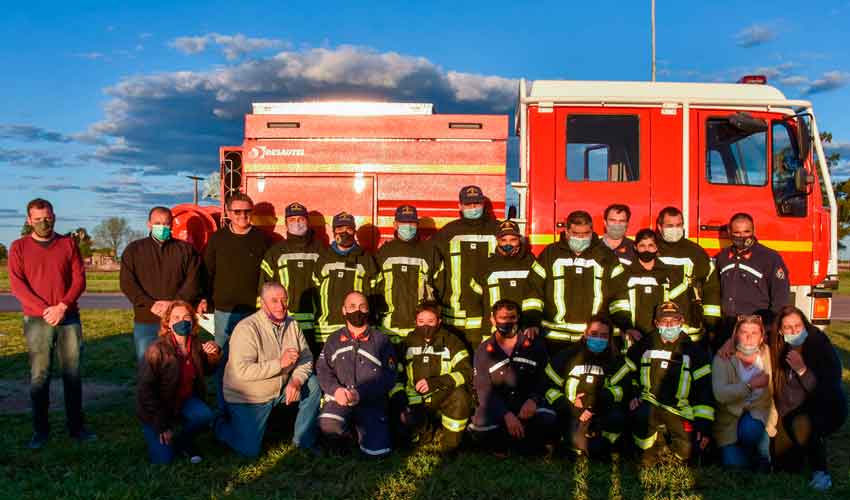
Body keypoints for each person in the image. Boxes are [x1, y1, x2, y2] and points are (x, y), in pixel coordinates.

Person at [8, 198, 94, 448]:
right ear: (28, 220)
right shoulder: (19, 247)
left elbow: (79, 280)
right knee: (40, 375)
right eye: (37, 219)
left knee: (73, 374)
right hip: (37, 319)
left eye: (47, 218)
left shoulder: (67, 244)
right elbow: (17, 284)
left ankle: (76, 428)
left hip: (68, 316)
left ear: (54, 216)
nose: (44, 223)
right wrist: (44, 310)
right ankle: (40, 431)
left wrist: (62, 306)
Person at [215, 282, 321, 457]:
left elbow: (306, 357)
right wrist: (279, 363)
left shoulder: (292, 324)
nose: (281, 306)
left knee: (313, 384)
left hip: (280, 388)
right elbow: (242, 371)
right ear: (262, 303)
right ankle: (219, 422)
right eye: (274, 301)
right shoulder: (246, 328)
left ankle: (303, 440)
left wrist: (295, 381)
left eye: (284, 300)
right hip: (249, 397)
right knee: (249, 451)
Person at [609, 301, 714, 465]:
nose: (670, 325)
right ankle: (647, 450)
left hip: (679, 409)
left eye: (675, 320)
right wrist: (633, 395)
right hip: (648, 404)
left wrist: (703, 424)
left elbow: (704, 390)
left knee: (688, 452)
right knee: (642, 439)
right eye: (665, 321)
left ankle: (668, 444)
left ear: (682, 321)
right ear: (656, 323)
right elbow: (624, 375)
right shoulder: (642, 346)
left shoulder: (694, 351)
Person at [202, 192, 271, 410]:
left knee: (254, 359)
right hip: (225, 311)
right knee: (222, 359)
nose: (243, 216)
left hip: (254, 311)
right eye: (237, 211)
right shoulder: (217, 239)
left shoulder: (261, 239)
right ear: (228, 213)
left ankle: (250, 405)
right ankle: (224, 408)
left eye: (247, 211)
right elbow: (207, 272)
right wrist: (203, 298)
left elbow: (268, 275)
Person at [770, 306, 847, 491]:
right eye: (788, 327)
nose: (794, 330)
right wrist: (729, 347)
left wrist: (802, 370)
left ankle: (821, 472)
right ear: (780, 330)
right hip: (788, 411)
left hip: (824, 408)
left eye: (798, 325)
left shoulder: (819, 344)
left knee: (803, 424)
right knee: (785, 466)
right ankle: (801, 449)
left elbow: (825, 391)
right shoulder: (777, 347)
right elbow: (750, 335)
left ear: (805, 325)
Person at [137, 301, 221, 464]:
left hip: (184, 400)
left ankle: (184, 440)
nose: (181, 321)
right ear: (167, 322)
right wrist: (161, 425)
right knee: (164, 460)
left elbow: (208, 370)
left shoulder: (196, 344)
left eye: (186, 317)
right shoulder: (156, 350)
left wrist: (213, 354)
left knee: (205, 416)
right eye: (175, 317)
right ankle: (168, 432)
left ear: (193, 321)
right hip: (158, 408)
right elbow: (146, 391)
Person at [469, 300, 555, 455]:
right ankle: (516, 442)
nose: (508, 322)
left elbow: (544, 378)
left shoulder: (535, 345)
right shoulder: (483, 350)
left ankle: (516, 443)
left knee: (548, 418)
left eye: (512, 318)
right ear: (493, 320)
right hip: (499, 406)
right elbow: (483, 389)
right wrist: (505, 414)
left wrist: (533, 400)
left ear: (518, 318)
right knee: (480, 428)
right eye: (503, 318)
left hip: (526, 405)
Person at [317, 291, 397, 457]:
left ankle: (363, 431)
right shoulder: (333, 339)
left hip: (370, 401)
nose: (357, 311)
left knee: (378, 452)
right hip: (340, 399)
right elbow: (323, 370)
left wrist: (361, 393)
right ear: (344, 310)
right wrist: (336, 390)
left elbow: (389, 377)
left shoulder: (381, 340)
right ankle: (347, 434)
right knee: (329, 424)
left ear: (368, 310)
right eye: (352, 307)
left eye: (362, 306)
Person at [121, 206, 203, 361]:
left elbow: (194, 281)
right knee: (148, 365)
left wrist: (173, 305)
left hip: (178, 321)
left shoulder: (186, 250)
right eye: (157, 223)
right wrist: (150, 304)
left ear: (172, 224)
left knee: (179, 364)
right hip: (146, 319)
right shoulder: (134, 250)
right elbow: (127, 283)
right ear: (149, 224)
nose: (162, 227)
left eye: (166, 223)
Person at [538, 210, 624, 355]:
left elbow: (620, 295)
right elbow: (534, 290)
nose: (581, 238)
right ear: (566, 231)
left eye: (585, 234)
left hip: (593, 338)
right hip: (555, 337)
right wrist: (531, 320)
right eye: (576, 234)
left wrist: (624, 324)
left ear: (592, 232)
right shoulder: (550, 254)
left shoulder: (606, 256)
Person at [391, 301, 473, 453]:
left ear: (439, 322)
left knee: (461, 397)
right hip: (415, 398)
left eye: (430, 321)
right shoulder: (406, 343)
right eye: (421, 321)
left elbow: (466, 372)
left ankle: (451, 443)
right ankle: (424, 432)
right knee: (406, 434)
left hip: (443, 394)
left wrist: (437, 382)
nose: (426, 326)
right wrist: (400, 396)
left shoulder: (452, 341)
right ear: (415, 322)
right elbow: (395, 373)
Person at [544, 315, 625, 458]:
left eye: (604, 336)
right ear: (585, 334)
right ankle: (571, 442)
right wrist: (572, 408)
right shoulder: (566, 357)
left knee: (615, 421)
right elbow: (549, 389)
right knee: (574, 445)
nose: (598, 339)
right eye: (594, 334)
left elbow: (621, 389)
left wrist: (594, 402)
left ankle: (603, 443)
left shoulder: (615, 360)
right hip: (570, 411)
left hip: (600, 411)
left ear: (610, 338)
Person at [431, 185, 501, 348]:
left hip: (489, 317)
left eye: (476, 204)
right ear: (460, 206)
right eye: (468, 205)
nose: (473, 208)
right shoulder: (448, 232)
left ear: (483, 204)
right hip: (455, 317)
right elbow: (433, 267)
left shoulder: (498, 230)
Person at [714, 213, 790, 347]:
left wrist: (766, 328)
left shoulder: (770, 258)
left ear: (754, 231)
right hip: (727, 329)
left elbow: (780, 298)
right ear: (729, 232)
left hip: (755, 331)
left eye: (746, 232)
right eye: (737, 232)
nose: (742, 236)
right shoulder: (722, 257)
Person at [711, 315, 776, 471]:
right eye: (744, 332)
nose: (748, 337)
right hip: (729, 420)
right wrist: (750, 385)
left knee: (750, 430)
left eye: (754, 333)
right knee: (734, 465)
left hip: (758, 415)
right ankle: (752, 454)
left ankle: (760, 448)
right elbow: (720, 394)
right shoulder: (723, 357)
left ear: (762, 338)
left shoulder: (769, 354)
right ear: (735, 335)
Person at [259, 202, 324, 354]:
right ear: (286, 223)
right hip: (283, 322)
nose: (297, 223)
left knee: (311, 367)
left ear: (307, 222)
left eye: (301, 219)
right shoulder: (275, 252)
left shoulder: (320, 249)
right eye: (292, 219)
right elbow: (264, 287)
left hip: (314, 324)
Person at [374, 205, 441, 349]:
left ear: (417, 225)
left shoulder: (429, 251)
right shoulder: (384, 252)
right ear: (395, 224)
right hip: (388, 328)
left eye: (412, 223)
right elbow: (374, 288)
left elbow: (440, 287)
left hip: (420, 329)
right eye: (404, 223)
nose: (408, 227)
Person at [470, 219, 546, 342]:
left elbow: (537, 298)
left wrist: (532, 323)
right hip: (492, 334)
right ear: (497, 241)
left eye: (513, 240)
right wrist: (474, 335)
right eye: (503, 240)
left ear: (519, 240)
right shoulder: (485, 266)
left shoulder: (531, 264)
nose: (508, 244)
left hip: (524, 334)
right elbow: (473, 302)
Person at [655, 206, 721, 344]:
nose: (675, 229)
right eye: (670, 226)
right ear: (659, 227)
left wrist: (711, 323)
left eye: (679, 225)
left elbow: (711, 288)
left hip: (691, 331)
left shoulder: (696, 253)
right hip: (656, 329)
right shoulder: (650, 250)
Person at [608, 228, 681, 351]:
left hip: (661, 336)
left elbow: (677, 305)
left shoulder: (669, 274)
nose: (646, 249)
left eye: (651, 245)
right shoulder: (624, 273)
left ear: (657, 247)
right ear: (635, 247)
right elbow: (618, 305)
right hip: (632, 336)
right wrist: (627, 328)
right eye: (642, 245)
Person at [312, 212, 378, 346]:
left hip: (357, 330)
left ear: (354, 231)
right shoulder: (323, 258)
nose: (344, 232)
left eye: (348, 228)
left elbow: (374, 295)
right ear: (333, 231)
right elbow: (314, 294)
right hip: (325, 332)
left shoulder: (366, 259)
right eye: (340, 228)